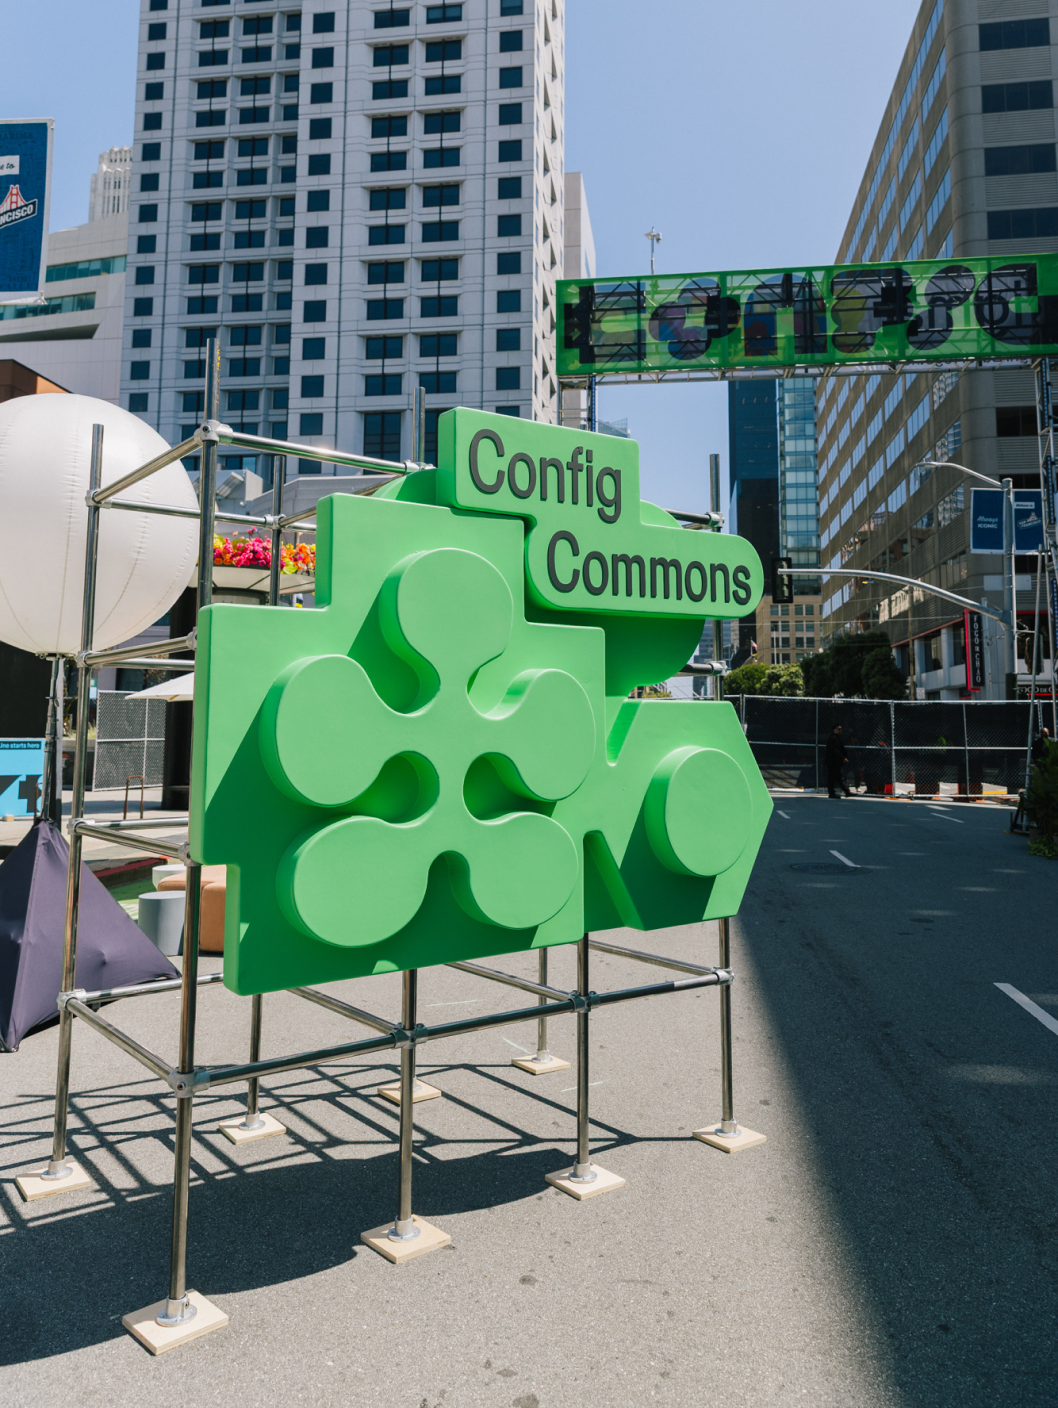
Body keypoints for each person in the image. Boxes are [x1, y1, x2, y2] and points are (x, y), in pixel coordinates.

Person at [825, 723, 851, 798]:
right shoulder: (833, 738)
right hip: (833, 762)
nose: (841, 730)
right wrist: (843, 758)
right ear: (834, 730)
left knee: (839, 777)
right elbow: (835, 751)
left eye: (841, 729)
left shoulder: (836, 737)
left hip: (836, 762)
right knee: (832, 778)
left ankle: (846, 791)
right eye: (839, 729)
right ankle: (832, 793)